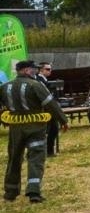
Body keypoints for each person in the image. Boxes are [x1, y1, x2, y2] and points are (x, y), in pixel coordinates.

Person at [4, 60, 67, 204]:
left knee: (14, 158)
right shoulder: (36, 85)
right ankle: (34, 191)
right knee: (36, 157)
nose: (35, 72)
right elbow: (50, 104)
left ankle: (10, 191)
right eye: (33, 69)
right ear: (26, 70)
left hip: (16, 129)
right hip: (35, 127)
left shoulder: (5, 87)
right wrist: (63, 120)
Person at [37, 62, 61, 156]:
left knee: (52, 129)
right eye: (47, 69)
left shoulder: (43, 80)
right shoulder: (39, 80)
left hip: (48, 108)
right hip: (46, 108)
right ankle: (49, 151)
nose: (50, 71)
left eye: (50, 69)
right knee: (53, 129)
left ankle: (49, 150)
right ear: (41, 70)